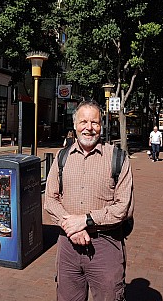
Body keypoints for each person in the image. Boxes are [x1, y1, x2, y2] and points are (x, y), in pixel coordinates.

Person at [44, 100, 134, 301]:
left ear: (102, 126)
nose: (89, 128)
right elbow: (50, 200)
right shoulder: (62, 157)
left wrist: (85, 221)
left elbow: (123, 207)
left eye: (94, 122)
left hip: (106, 244)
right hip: (68, 246)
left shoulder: (117, 158)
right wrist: (72, 226)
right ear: (75, 125)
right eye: (83, 122)